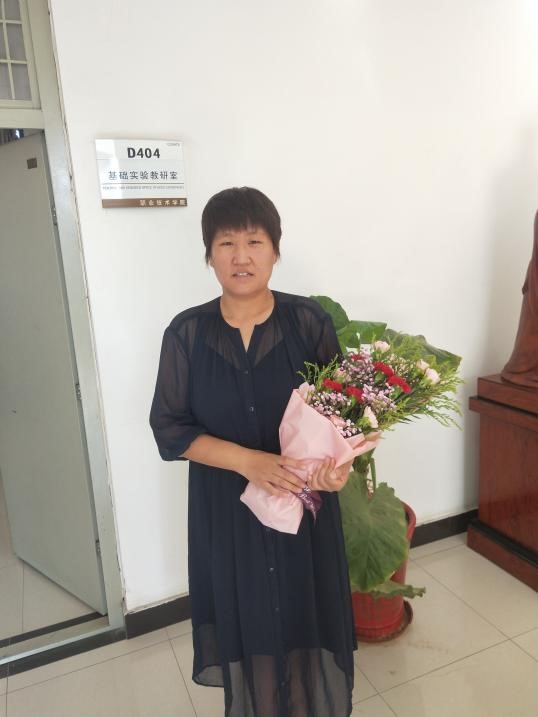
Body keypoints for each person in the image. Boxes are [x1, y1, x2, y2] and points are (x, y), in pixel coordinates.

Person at [150, 187, 356, 717]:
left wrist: (335, 473)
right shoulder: (187, 334)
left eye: (254, 241)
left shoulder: (308, 323)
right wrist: (248, 462)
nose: (241, 256)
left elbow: (341, 420)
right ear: (209, 254)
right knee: (252, 627)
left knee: (303, 621)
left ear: (275, 250)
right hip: (228, 513)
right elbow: (169, 427)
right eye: (226, 243)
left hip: (303, 510)